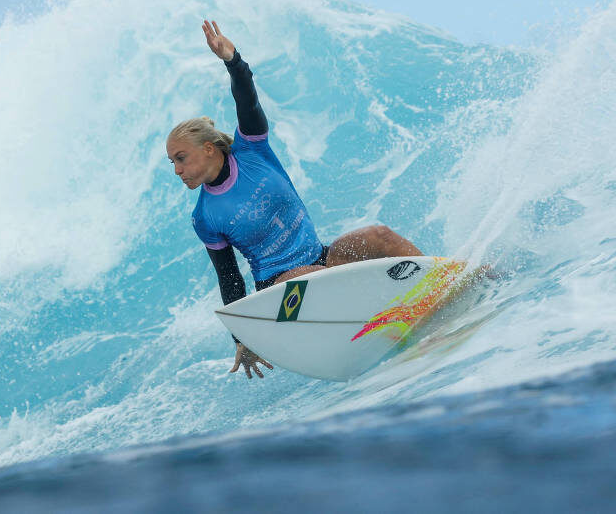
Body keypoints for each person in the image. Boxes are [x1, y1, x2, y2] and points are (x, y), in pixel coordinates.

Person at [166, 20, 424, 380]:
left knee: (378, 236)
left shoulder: (252, 151)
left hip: (320, 260)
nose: (177, 169)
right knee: (317, 279)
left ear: (209, 149)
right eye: (172, 162)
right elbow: (229, 279)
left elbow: (247, 100)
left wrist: (233, 61)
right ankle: (395, 327)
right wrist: (243, 336)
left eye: (180, 158)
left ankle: (439, 286)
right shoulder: (205, 216)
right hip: (281, 296)